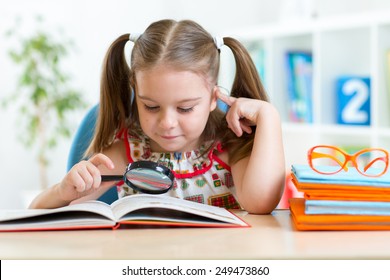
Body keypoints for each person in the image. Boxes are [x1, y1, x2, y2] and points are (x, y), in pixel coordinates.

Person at [30, 19, 285, 214]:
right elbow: (36, 213)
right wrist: (61, 192)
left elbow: (260, 202)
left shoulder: (229, 145)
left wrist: (268, 116)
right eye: (151, 107)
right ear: (136, 92)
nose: (167, 123)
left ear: (212, 98)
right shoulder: (127, 152)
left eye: (185, 108)